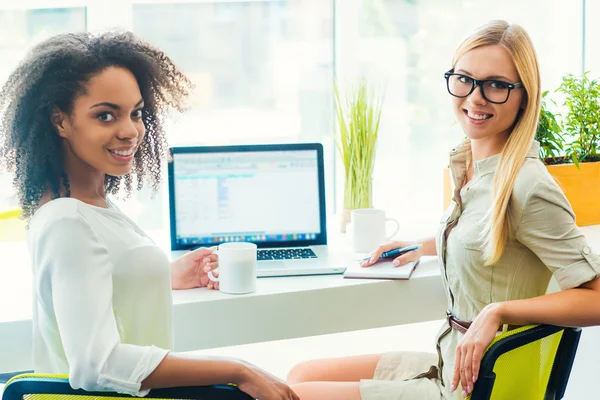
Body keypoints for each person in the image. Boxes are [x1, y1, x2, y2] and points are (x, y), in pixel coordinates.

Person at [287, 20, 600, 400]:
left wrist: (499, 311)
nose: (476, 97)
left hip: (474, 384)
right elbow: (492, 233)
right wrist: (427, 243)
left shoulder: (528, 186)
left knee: (293, 396)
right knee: (297, 374)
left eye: (497, 85)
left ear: (524, 97)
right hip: (447, 359)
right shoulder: (470, 162)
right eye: (465, 79)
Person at [0, 31, 298, 400]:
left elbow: (94, 279)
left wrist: (159, 274)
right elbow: (98, 365)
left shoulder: (88, 204)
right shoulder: (67, 222)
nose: (130, 131)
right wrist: (238, 369)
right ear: (60, 121)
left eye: (136, 113)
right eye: (106, 115)